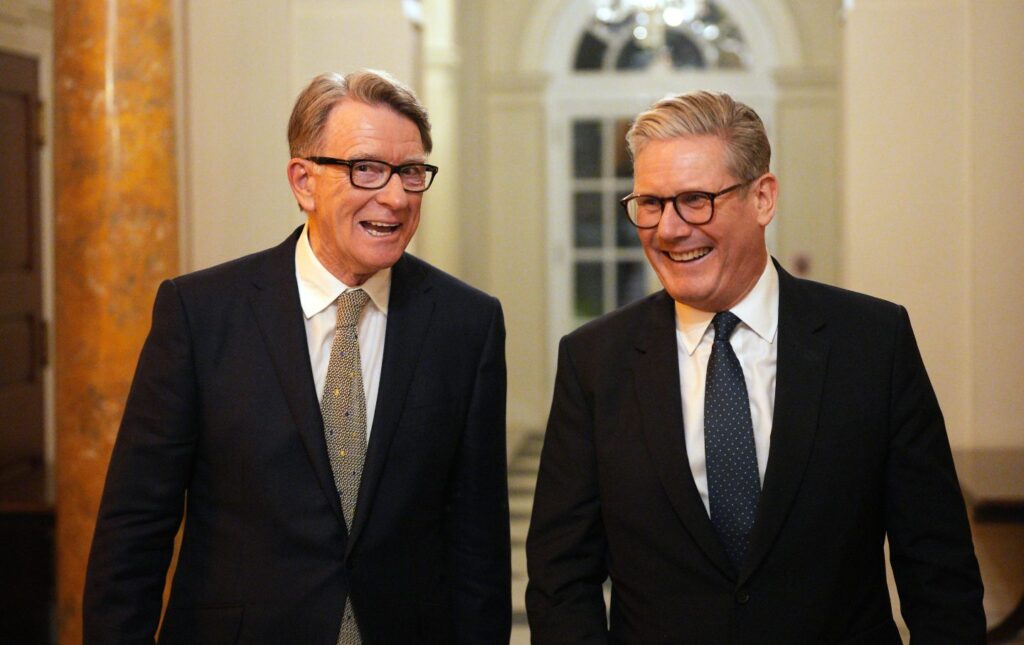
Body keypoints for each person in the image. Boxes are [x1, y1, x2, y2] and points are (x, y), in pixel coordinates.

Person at [525, 90, 984, 643]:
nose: (669, 229)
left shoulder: (871, 342)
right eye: (650, 203)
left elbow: (938, 567)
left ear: (763, 198)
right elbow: (561, 578)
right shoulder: (595, 361)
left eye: (695, 200)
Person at [84, 70, 511, 644]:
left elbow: (478, 543)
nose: (396, 197)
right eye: (366, 169)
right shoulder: (201, 314)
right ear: (304, 181)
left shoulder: (467, 324)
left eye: (411, 172)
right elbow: (136, 525)